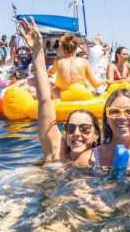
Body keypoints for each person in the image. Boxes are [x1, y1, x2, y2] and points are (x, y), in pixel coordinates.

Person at [18, 17, 103, 166]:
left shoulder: (103, 160)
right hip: (84, 93)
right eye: (70, 128)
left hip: (64, 94)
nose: (76, 134)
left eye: (85, 128)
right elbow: (44, 100)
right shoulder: (58, 153)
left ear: (96, 134)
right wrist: (37, 52)